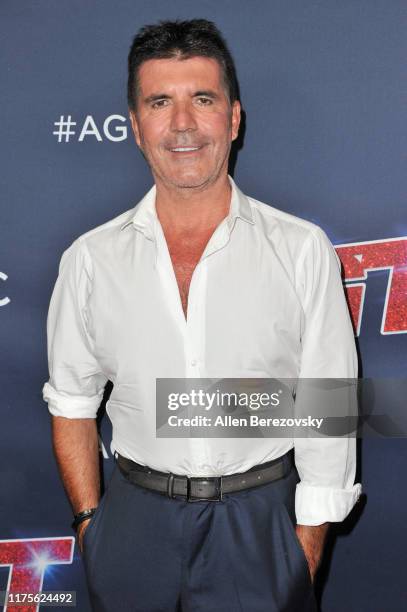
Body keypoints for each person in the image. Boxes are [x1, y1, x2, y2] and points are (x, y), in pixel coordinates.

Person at [42, 18, 362, 612]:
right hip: (133, 527)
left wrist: (304, 549)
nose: (183, 124)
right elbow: (71, 403)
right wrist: (92, 526)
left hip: (262, 525)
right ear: (136, 127)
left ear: (233, 118)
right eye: (160, 102)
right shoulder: (89, 260)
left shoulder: (300, 249)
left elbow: (328, 409)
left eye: (203, 99)